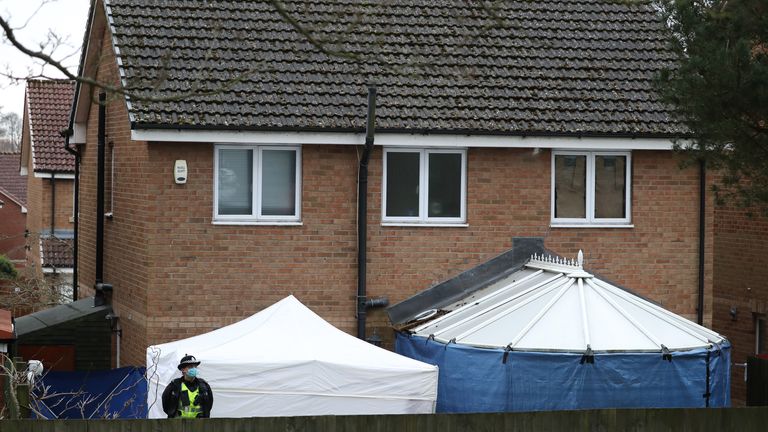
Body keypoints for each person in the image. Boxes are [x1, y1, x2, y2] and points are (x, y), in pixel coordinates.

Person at [161, 354, 214, 418]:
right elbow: (165, 402)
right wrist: (172, 414)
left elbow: (209, 404)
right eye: (190, 367)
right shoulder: (174, 385)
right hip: (179, 424)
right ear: (183, 369)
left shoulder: (204, 385)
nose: (194, 369)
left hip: (199, 424)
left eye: (195, 367)